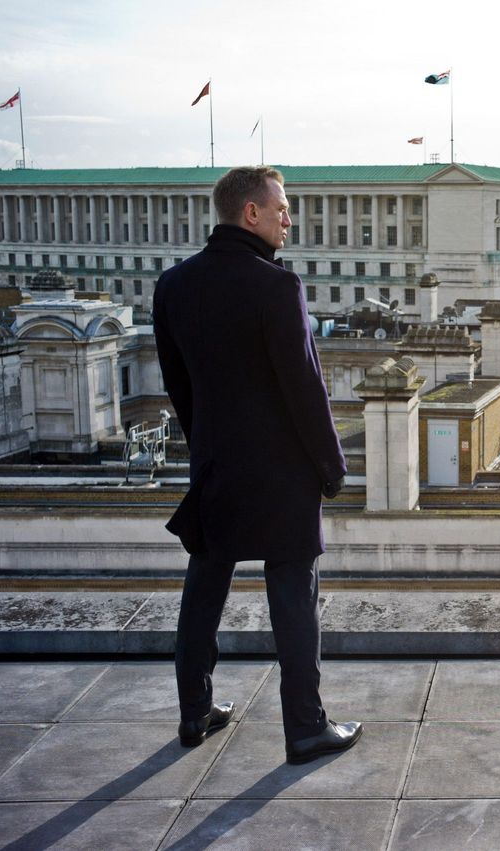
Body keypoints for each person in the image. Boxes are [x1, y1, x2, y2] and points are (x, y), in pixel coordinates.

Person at [154, 166, 361, 765]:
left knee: (205, 584)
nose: (288, 219)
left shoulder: (173, 285)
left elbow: (178, 385)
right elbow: (305, 388)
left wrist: (207, 443)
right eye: (282, 208)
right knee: (293, 595)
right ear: (250, 213)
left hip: (217, 461)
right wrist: (331, 464)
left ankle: (194, 711)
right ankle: (305, 727)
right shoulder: (277, 286)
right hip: (282, 470)